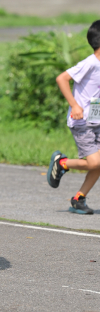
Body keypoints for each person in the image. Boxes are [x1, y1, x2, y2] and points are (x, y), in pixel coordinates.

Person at [47, 20, 100, 214]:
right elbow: (62, 78)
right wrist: (75, 105)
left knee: (99, 163)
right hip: (82, 121)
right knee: (95, 163)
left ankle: (79, 198)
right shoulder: (90, 63)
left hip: (97, 120)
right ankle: (62, 163)